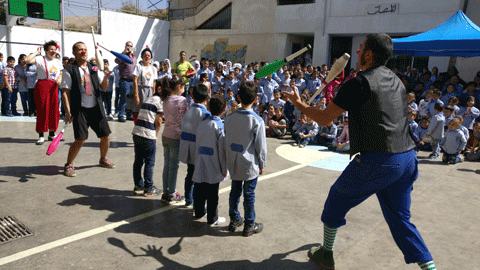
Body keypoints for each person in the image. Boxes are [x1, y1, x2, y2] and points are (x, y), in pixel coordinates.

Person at [283, 34, 436, 270]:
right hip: (407, 158)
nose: (356, 53)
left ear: (369, 55)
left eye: (361, 48)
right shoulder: (397, 80)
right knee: (400, 219)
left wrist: (300, 105)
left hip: (380, 159)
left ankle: (326, 253)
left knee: (336, 200)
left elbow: (324, 119)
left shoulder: (359, 82)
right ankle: (430, 268)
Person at [61, 41, 115, 177]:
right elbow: (65, 92)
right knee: (80, 139)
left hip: (96, 108)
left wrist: (106, 78)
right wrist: (67, 111)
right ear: (74, 52)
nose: (83, 52)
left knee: (105, 136)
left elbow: (103, 87)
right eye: (80, 50)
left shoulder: (94, 68)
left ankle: (103, 159)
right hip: (80, 109)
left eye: (85, 49)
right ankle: (69, 164)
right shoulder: (69, 70)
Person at [225, 81, 267, 237]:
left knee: (234, 192)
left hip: (233, 162)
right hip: (249, 165)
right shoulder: (257, 120)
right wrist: (262, 164)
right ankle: (249, 224)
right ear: (256, 99)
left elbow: (226, 139)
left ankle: (234, 219)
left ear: (238, 97)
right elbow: (261, 147)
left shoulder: (229, 118)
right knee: (249, 194)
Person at [192, 94, 228, 226]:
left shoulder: (201, 124)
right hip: (214, 164)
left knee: (200, 188)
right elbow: (222, 151)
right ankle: (212, 218)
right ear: (224, 109)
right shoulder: (220, 127)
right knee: (213, 193)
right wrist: (224, 170)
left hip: (200, 160)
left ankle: (199, 212)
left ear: (208, 107)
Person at [179, 84, 211, 208]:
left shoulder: (188, 111)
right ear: (208, 96)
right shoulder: (205, 114)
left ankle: (188, 198)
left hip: (188, 148)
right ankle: (198, 202)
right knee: (200, 177)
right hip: (200, 150)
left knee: (190, 174)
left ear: (192, 96)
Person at [26, 41, 63, 144]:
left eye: (54, 49)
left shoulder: (57, 61)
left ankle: (52, 133)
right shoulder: (40, 59)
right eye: (51, 49)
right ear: (46, 50)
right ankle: (41, 135)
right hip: (42, 85)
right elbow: (27, 60)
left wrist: (59, 78)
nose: (53, 51)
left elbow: (60, 72)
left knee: (54, 110)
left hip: (54, 86)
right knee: (42, 109)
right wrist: (37, 52)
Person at [158, 75, 188, 203]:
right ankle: (172, 193)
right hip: (176, 136)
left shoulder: (166, 99)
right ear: (178, 87)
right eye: (183, 87)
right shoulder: (181, 100)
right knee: (174, 166)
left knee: (167, 164)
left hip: (166, 134)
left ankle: (166, 192)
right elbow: (183, 119)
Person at [131, 80, 163, 196]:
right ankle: (148, 188)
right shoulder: (159, 102)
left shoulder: (149, 99)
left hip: (137, 132)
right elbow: (158, 121)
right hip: (148, 134)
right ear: (159, 89)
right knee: (150, 162)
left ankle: (138, 186)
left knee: (138, 161)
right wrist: (156, 135)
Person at [130, 47, 158, 123]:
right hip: (140, 90)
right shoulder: (138, 66)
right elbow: (135, 81)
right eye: (145, 55)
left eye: (149, 55)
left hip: (149, 91)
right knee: (138, 110)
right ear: (142, 57)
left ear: (151, 57)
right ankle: (137, 127)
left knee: (148, 112)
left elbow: (154, 82)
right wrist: (136, 96)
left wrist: (154, 94)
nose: (147, 57)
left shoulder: (153, 69)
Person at [115, 41, 137, 122]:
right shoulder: (122, 56)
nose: (129, 47)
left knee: (130, 99)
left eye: (131, 45)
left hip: (133, 81)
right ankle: (121, 115)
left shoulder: (134, 57)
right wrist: (124, 52)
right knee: (124, 98)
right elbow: (116, 61)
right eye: (128, 45)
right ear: (125, 46)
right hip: (125, 80)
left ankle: (129, 114)